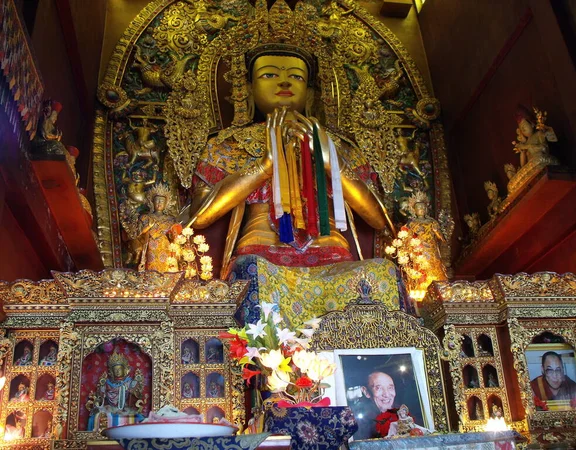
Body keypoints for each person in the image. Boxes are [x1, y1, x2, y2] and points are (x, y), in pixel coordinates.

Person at [185, 45, 410, 326]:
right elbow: (200, 216)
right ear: (248, 90)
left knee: (381, 272)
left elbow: (378, 220)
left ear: (312, 94)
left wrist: (331, 164)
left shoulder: (339, 146)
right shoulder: (227, 145)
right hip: (264, 255)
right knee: (249, 272)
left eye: (296, 76)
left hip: (333, 256)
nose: (284, 82)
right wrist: (265, 165)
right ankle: (262, 365)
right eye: (269, 74)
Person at [87, 351, 145, 431]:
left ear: (125, 370)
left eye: (119, 369)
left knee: (138, 418)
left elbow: (136, 396)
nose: (117, 372)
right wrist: (101, 392)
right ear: (111, 371)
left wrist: (134, 386)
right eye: (115, 370)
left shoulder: (129, 382)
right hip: (110, 409)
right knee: (94, 418)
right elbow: (101, 398)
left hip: (125, 410)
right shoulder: (107, 383)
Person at [137, 183, 180, 272]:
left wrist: (174, 234)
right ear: (152, 202)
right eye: (157, 201)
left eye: (162, 201)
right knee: (151, 268)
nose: (159, 203)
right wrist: (149, 226)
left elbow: (174, 238)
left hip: (165, 246)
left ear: (166, 204)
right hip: (151, 246)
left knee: (167, 268)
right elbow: (139, 234)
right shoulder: (146, 217)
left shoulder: (171, 219)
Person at [352, 371, 397, 440]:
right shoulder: (359, 422)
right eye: (379, 388)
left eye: (390, 388)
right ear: (366, 392)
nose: (387, 395)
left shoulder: (401, 414)